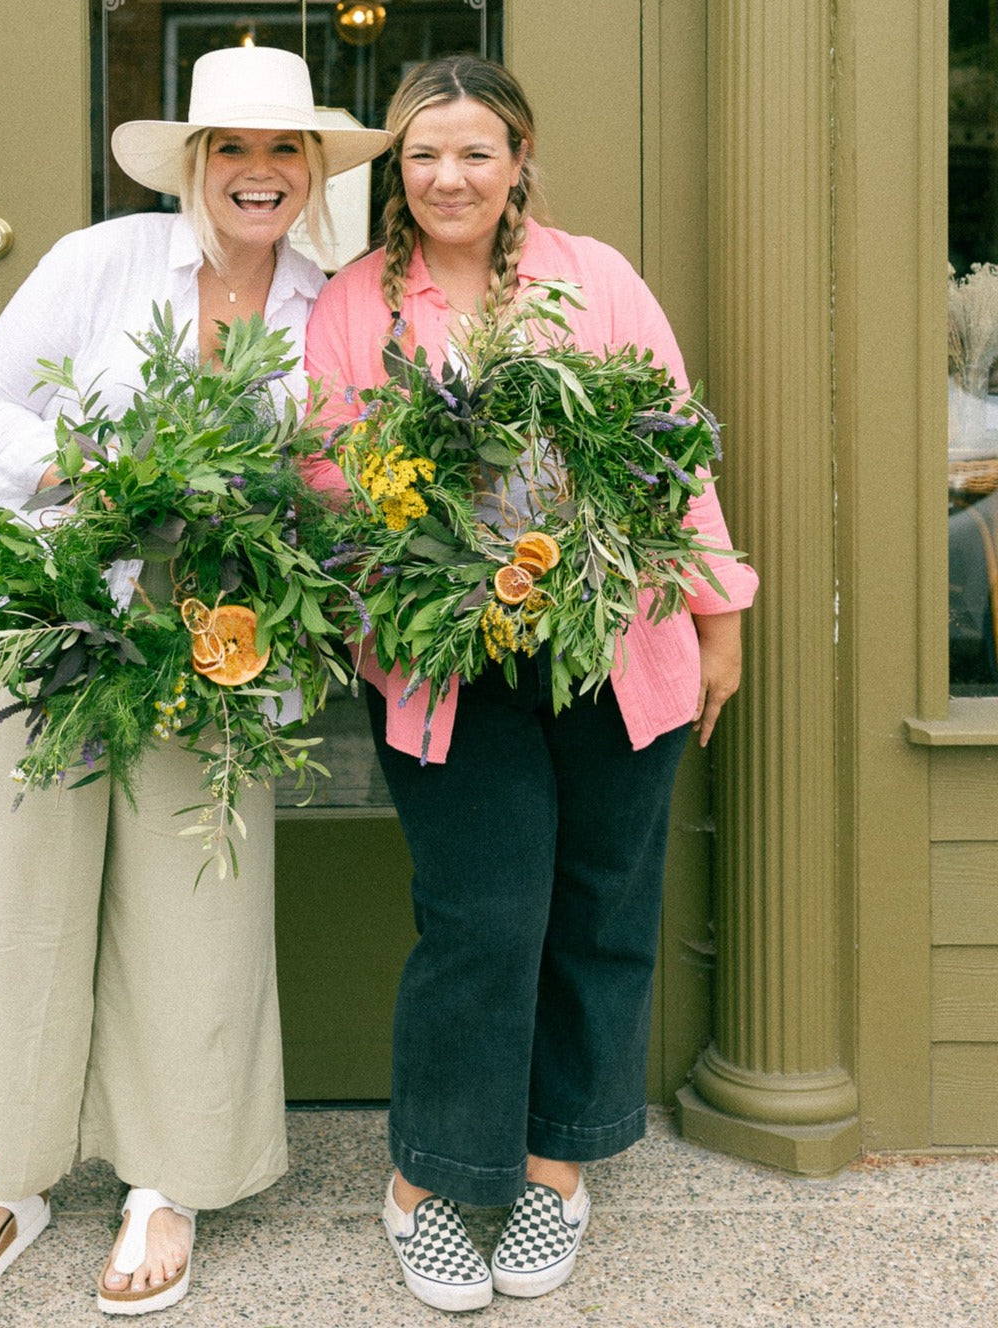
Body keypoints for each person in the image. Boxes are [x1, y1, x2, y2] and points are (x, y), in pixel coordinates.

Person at [0, 46, 389, 1316]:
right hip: (56, 606)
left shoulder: (331, 304)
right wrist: (84, 466)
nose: (255, 172)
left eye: (281, 150)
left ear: (310, 174)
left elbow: (343, 470)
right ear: (192, 165)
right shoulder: (96, 261)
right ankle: (10, 1175)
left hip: (219, 629)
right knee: (25, 883)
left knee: (195, 890)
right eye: (228, 148)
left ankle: (166, 1178)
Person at [303, 55, 759, 1313]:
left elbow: (673, 448)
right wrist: (419, 570)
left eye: (474, 153)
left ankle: (556, 1166)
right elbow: (328, 477)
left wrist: (718, 616)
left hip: (619, 645)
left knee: (602, 910)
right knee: (483, 918)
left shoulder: (593, 275)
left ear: (516, 164)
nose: (448, 177)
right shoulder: (357, 302)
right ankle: (431, 1182)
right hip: (450, 662)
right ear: (396, 171)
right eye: (423, 155)